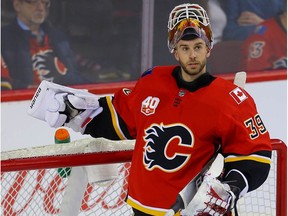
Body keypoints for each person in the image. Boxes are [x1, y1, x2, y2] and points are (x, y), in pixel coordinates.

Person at [28, 3, 272, 216]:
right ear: (174, 50)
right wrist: (83, 115)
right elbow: (122, 120)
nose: (192, 55)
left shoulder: (231, 99)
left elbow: (256, 156)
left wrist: (230, 189)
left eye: (198, 46)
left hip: (186, 211)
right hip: (141, 208)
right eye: (185, 48)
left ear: (209, 47)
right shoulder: (153, 81)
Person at [1, 0, 85, 90]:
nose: (41, 8)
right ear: (17, 5)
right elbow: (4, 86)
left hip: (69, 96)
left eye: (45, 3)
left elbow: (76, 73)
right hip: (28, 100)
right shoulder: (4, 39)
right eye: (33, 2)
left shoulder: (59, 37)